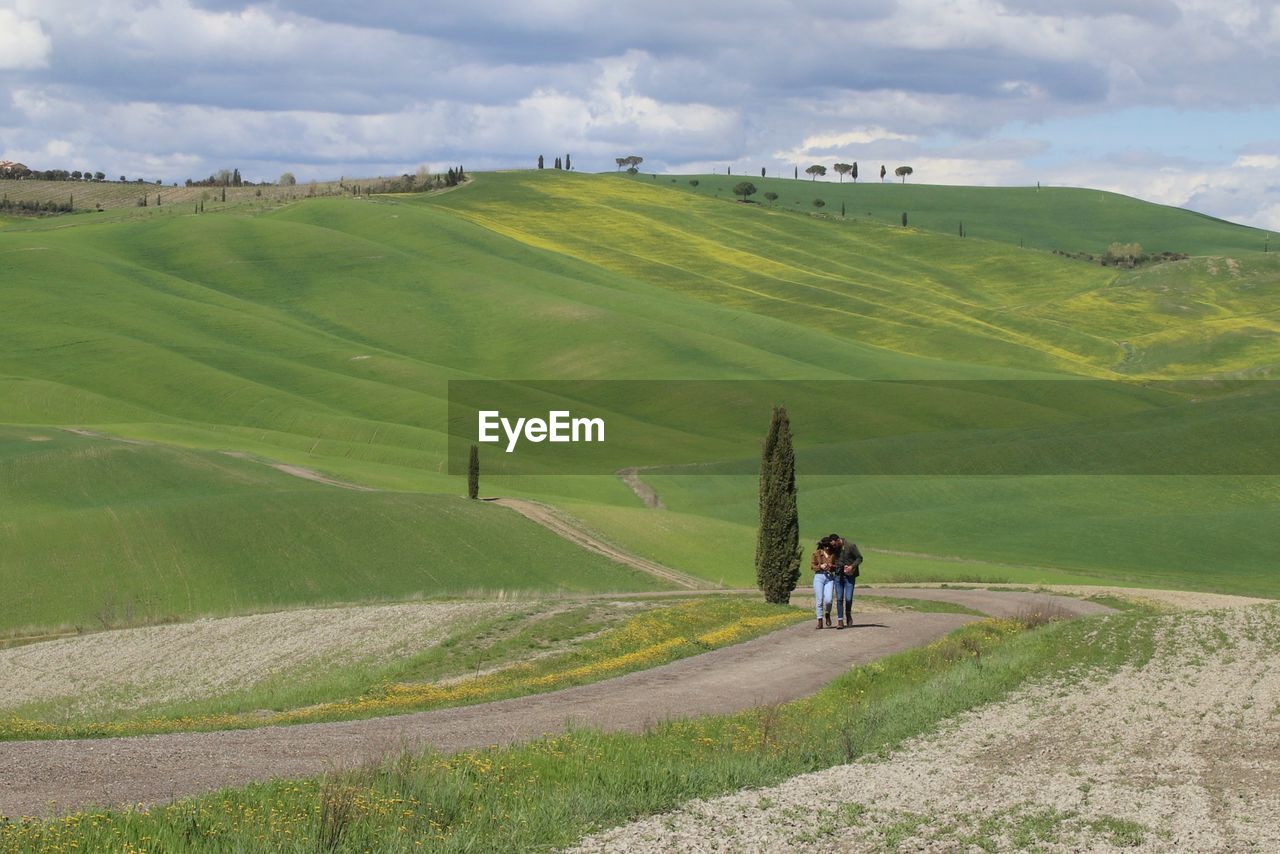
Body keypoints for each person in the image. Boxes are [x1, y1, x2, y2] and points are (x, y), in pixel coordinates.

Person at [828, 533, 863, 628]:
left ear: (838, 540)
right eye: (832, 545)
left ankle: (848, 614)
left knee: (848, 598)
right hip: (838, 576)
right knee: (839, 598)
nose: (834, 546)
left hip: (849, 576)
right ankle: (840, 621)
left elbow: (859, 558)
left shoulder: (850, 546)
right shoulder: (834, 548)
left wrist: (852, 566)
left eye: (834, 544)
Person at [810, 537, 838, 629]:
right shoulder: (816, 553)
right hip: (819, 577)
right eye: (825, 546)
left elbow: (837, 566)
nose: (827, 548)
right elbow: (812, 566)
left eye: (828, 546)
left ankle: (827, 614)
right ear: (822, 545)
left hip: (830, 577)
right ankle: (819, 621)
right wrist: (820, 566)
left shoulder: (833, 554)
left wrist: (831, 566)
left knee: (829, 600)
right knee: (819, 599)